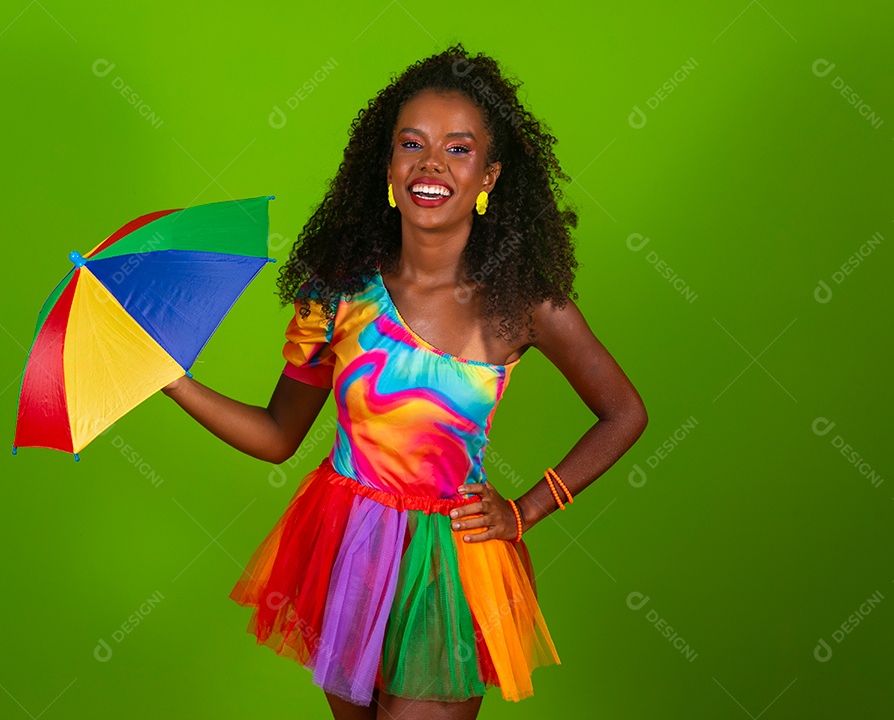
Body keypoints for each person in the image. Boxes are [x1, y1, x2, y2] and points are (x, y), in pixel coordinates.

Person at [161, 43, 648, 720]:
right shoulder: (335, 293)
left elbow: (624, 412)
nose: (431, 164)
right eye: (412, 143)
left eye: (459, 149)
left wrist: (527, 510)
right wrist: (172, 381)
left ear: (490, 175)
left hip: (448, 565)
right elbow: (277, 436)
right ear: (386, 165)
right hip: (345, 550)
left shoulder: (525, 301)